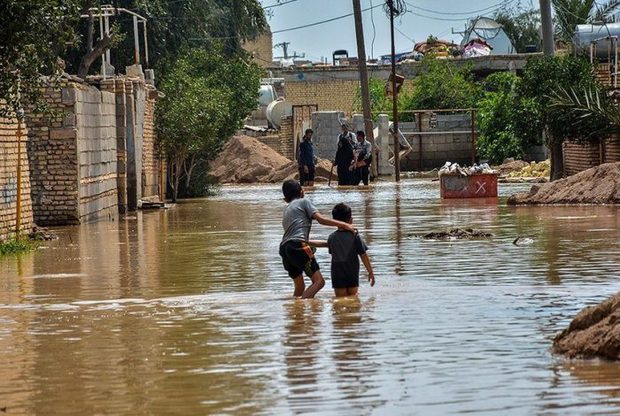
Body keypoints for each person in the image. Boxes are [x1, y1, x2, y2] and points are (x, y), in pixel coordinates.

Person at [279, 180, 356, 299]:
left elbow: (298, 241)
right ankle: (300, 305)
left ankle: (294, 310)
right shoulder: (304, 201)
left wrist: (328, 244)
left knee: (299, 288)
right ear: (302, 192)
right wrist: (345, 225)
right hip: (298, 245)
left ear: (285, 199)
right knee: (319, 282)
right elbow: (321, 219)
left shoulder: (287, 210)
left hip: (285, 249)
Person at [310, 203, 375, 297]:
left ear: (334, 221)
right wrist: (370, 272)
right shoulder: (355, 236)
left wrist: (308, 242)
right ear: (351, 220)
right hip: (352, 271)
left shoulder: (332, 237)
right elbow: (363, 255)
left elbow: (332, 251)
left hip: (337, 273)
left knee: (340, 298)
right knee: (353, 298)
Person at [333, 121, 356, 186]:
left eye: (345, 128)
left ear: (348, 128)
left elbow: (355, 145)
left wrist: (349, 141)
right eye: (343, 128)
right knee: (341, 181)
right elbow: (337, 159)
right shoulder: (340, 136)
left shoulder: (352, 135)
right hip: (341, 168)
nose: (344, 129)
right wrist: (334, 162)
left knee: (348, 180)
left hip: (348, 167)